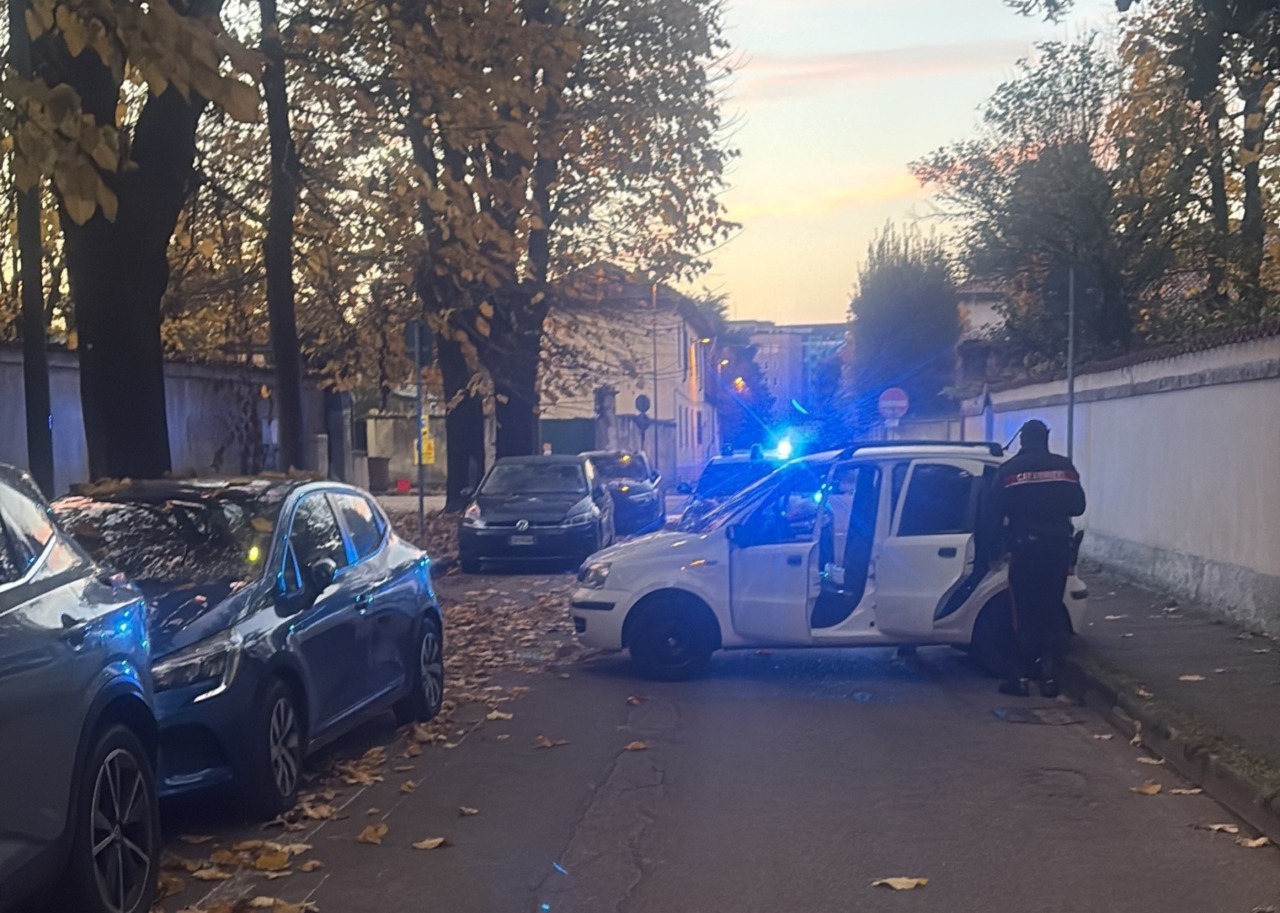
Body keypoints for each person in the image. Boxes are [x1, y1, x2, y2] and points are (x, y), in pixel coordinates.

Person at [989, 420, 1086, 698]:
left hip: (1025, 549)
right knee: (1050, 609)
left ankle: (1019, 678)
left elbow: (993, 514)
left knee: (1023, 613)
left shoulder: (1009, 471)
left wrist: (994, 549)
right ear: (1046, 438)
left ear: (1022, 440)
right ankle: (1049, 679)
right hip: (1057, 549)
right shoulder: (1065, 467)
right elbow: (1078, 506)